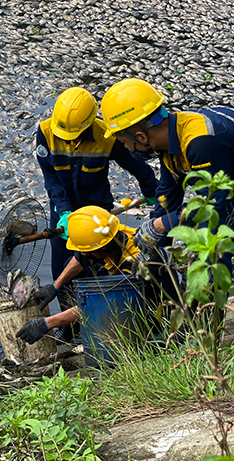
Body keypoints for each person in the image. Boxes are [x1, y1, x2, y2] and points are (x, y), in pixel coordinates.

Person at [99, 78, 234, 270]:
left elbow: (211, 205)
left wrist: (160, 225)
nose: (127, 149)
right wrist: (152, 244)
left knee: (207, 232)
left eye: (125, 143)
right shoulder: (170, 136)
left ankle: (211, 289)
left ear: (141, 137)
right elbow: (167, 198)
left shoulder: (201, 142)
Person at [35, 86, 160, 340]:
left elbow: (137, 166)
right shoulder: (46, 132)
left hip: (96, 213)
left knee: (99, 273)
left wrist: (154, 194)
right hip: (62, 213)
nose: (69, 140)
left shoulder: (106, 136)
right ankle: (70, 330)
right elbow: (51, 179)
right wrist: (64, 212)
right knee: (62, 269)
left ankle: (100, 321)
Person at [16, 206, 178, 345]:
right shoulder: (111, 234)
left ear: (97, 252)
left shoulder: (134, 262)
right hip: (123, 289)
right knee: (69, 266)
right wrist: (54, 287)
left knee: (117, 313)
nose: (83, 255)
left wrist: (48, 323)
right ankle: (72, 327)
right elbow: (78, 260)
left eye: (87, 252)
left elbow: (103, 302)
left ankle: (151, 336)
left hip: (154, 312)